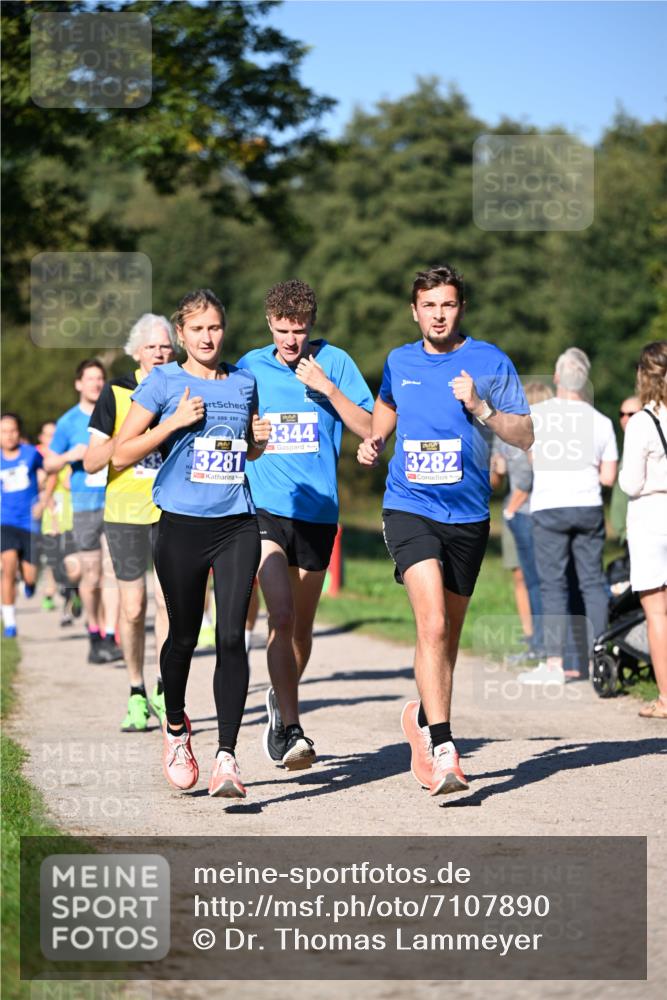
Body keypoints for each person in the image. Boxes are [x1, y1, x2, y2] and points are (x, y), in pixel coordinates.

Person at [357, 264, 533, 797]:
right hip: (409, 506)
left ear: (461, 308)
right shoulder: (399, 361)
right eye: (429, 306)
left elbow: (524, 433)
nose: (438, 315)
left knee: (446, 636)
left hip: (468, 516)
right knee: (432, 624)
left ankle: (422, 720)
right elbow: (386, 404)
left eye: (448, 305)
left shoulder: (490, 360)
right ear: (414, 311)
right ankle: (444, 746)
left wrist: (481, 407)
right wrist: (375, 439)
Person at [114, 288, 271, 797]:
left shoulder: (244, 382)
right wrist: (173, 422)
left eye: (215, 327)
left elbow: (245, 451)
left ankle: (227, 756)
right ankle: (177, 728)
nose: (207, 337)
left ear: (225, 330)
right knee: (182, 637)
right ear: (181, 334)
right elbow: (120, 453)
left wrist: (258, 441)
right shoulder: (162, 381)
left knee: (230, 636)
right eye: (197, 329)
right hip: (181, 526)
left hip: (236, 524)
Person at [237, 279, 373, 770]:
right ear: (268, 324)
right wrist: (250, 433)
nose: (290, 340)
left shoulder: (335, 362)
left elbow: (370, 427)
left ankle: (280, 701)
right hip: (265, 508)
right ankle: (291, 729)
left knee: (301, 629)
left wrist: (327, 388)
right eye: (282, 330)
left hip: (317, 512)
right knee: (280, 615)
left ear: (311, 325)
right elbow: (231, 427)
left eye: (299, 330)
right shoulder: (251, 366)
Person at [84, 314, 177, 732]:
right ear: (136, 351)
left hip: (170, 510)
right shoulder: (116, 392)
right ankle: (136, 690)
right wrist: (128, 437)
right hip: (125, 514)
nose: (159, 353)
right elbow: (91, 461)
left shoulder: (182, 388)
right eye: (151, 347)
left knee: (168, 603)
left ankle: (163, 687)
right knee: (133, 607)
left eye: (165, 346)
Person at [522, 348, 618, 685]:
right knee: (592, 583)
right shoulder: (602, 422)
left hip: (549, 506)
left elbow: (532, 460)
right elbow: (608, 477)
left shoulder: (538, 415)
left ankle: (554, 664)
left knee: (553, 585)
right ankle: (599, 661)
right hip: (588, 505)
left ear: (557, 377)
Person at [43, 360, 122, 664]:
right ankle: (94, 630)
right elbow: (48, 463)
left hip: (115, 501)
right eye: (90, 378)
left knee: (113, 570)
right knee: (92, 574)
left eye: (100, 378)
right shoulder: (68, 422)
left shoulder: (116, 412)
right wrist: (68, 456)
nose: (96, 383)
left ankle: (111, 635)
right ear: (78, 384)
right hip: (85, 505)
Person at [619, 341, 667, 719]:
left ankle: (666, 698)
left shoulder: (641, 422)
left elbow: (631, 483)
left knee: (658, 613)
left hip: (651, 518)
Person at [1, 413, 44, 637]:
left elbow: (51, 472)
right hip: (5, 521)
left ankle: (28, 582)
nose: (9, 435)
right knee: (7, 565)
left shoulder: (31, 454)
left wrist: (44, 500)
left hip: (30, 522)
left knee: (30, 575)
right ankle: (9, 622)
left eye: (13, 430)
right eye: (4, 431)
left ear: (19, 432)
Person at [609, 395, 641, 545]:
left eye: (631, 414)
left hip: (639, 531)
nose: (625, 419)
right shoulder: (628, 444)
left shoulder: (647, 447)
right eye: (621, 414)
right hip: (628, 534)